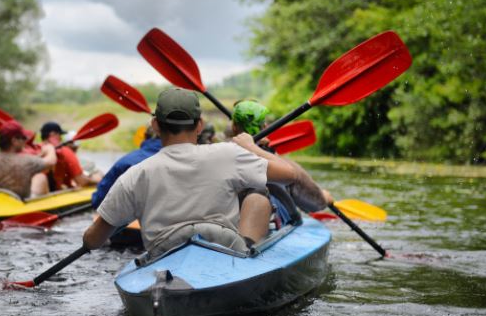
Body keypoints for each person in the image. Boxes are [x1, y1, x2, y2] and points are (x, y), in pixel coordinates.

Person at [83, 88, 330, 257]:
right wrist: (252, 147)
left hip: (163, 253)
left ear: (155, 125)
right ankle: (248, 250)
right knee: (257, 196)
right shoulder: (227, 154)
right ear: (199, 125)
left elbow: (92, 241)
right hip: (225, 248)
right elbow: (289, 174)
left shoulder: (135, 175)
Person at [231, 99, 333, 224]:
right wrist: (325, 199)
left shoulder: (216, 153)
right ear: (265, 127)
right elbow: (316, 205)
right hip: (268, 222)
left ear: (233, 127)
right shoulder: (283, 167)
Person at [91, 126, 162, 209]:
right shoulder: (179, 159)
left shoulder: (126, 162)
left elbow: (99, 200)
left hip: (134, 217)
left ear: (145, 136)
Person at [37, 121, 103, 193]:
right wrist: (99, 180)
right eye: (60, 135)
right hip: (59, 195)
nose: (61, 139)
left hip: (39, 196)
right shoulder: (65, 151)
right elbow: (82, 181)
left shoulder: (36, 150)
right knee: (98, 175)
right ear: (53, 135)